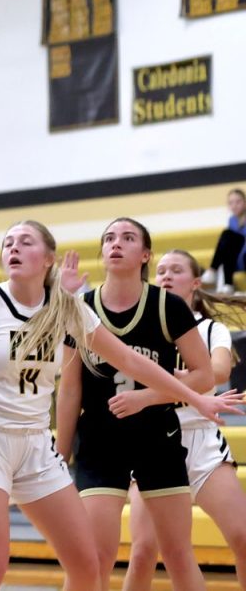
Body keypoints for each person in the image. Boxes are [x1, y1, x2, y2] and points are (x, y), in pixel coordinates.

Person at [0, 219, 237, 591]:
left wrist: (196, 397)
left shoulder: (67, 308)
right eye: (8, 243)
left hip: (38, 444)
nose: (13, 248)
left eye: (24, 242)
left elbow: (131, 361)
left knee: (87, 566)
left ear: (48, 259)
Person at [56, 217, 237, 591]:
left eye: (127, 237)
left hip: (159, 437)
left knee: (176, 552)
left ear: (145, 254)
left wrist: (147, 397)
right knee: (94, 557)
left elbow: (205, 375)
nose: (116, 243)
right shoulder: (80, 308)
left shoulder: (168, 307)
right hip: (101, 442)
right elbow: (70, 390)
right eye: (108, 238)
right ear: (102, 252)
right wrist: (59, 453)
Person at [122, 249, 246, 591]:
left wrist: (164, 379)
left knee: (243, 538)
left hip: (201, 441)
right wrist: (188, 382)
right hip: (150, 441)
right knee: (144, 551)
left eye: (175, 270)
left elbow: (216, 372)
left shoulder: (210, 329)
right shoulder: (140, 328)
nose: (165, 276)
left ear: (194, 283)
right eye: (160, 271)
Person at [202, 187, 246, 294]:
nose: (234, 205)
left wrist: (239, 255)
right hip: (234, 258)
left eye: (238, 202)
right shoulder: (232, 220)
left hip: (244, 256)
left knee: (227, 235)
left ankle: (213, 270)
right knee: (227, 239)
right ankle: (227, 284)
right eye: (231, 203)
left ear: (245, 202)